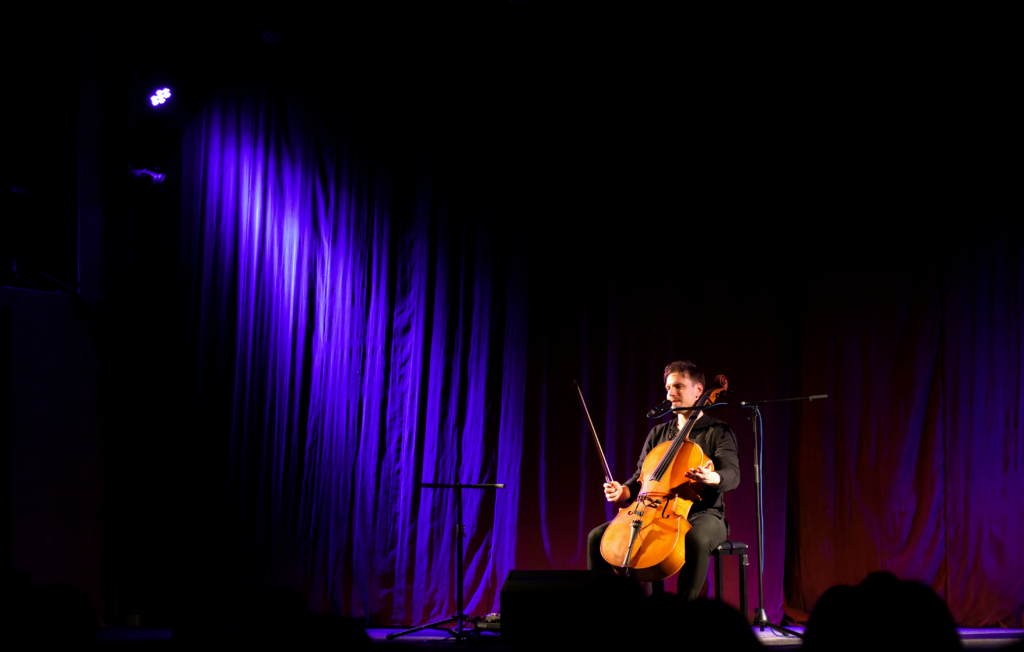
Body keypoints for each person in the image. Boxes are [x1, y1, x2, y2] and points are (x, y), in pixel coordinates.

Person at [587, 360, 740, 600]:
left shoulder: (718, 431)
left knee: (697, 539)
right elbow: (641, 477)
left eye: (678, 386)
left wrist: (712, 477)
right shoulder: (658, 433)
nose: (670, 393)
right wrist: (623, 491)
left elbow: (732, 474)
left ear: (699, 390)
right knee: (596, 536)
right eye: (668, 387)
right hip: (651, 510)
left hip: (704, 513)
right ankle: (601, 608)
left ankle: (683, 610)